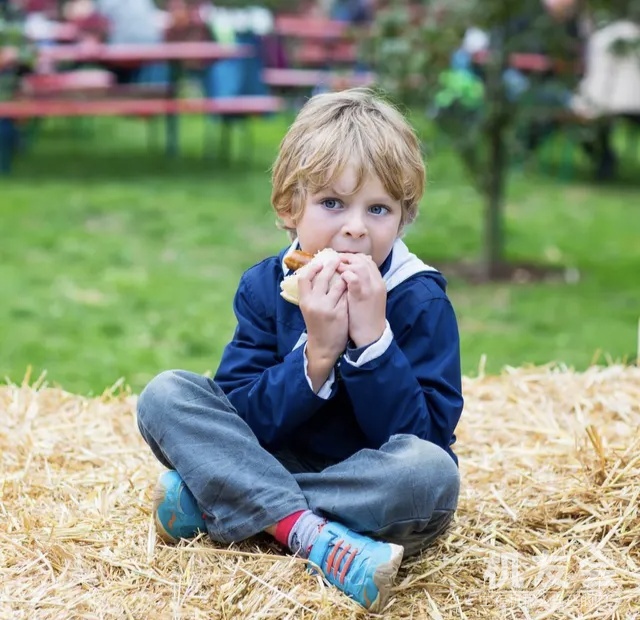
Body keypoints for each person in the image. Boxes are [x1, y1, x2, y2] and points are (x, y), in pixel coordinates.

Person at [136, 88, 463, 612]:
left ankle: (226, 505)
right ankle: (310, 534)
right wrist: (316, 356)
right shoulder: (266, 287)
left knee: (431, 476)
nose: (355, 226)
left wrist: (373, 342)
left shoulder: (419, 299)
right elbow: (240, 417)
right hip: (272, 453)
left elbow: (422, 438)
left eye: (377, 208)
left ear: (403, 218)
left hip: (367, 478)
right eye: (333, 203)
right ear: (290, 208)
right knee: (166, 394)